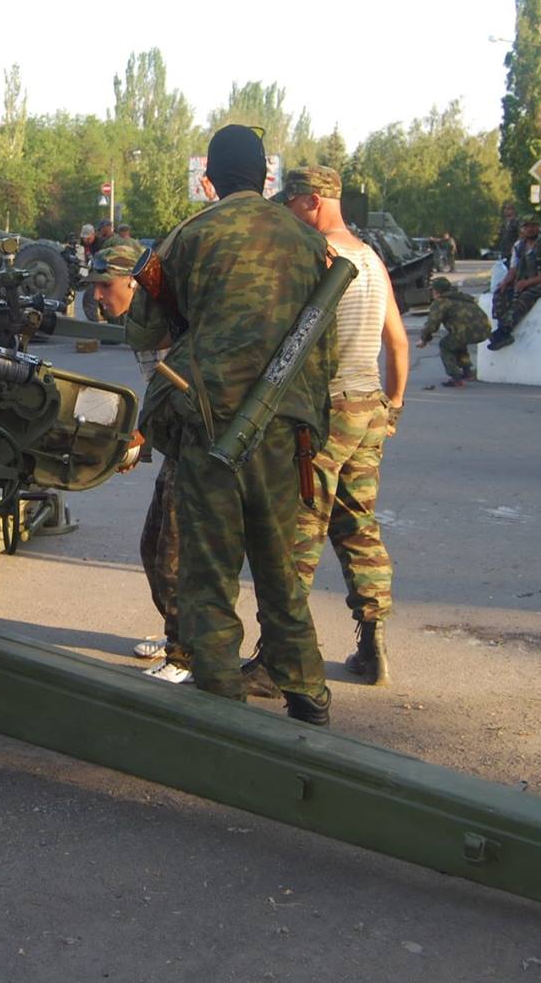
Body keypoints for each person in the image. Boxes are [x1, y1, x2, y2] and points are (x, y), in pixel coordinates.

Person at [126, 124, 336, 724]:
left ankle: (221, 704)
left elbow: (144, 330)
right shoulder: (305, 238)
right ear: (267, 177)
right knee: (278, 567)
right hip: (282, 429)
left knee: (208, 574)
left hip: (209, 425)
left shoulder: (192, 235)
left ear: (209, 178)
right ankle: (308, 695)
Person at [264, 165, 408, 688]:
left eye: (291, 206)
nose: (289, 216)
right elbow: (398, 342)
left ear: (312, 202)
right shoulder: (371, 259)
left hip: (329, 411)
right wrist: (392, 405)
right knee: (358, 525)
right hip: (368, 408)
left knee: (298, 529)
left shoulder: (320, 257)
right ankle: (374, 647)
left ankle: (280, 655)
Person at [90, 240, 191, 684]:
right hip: (177, 442)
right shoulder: (143, 322)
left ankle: (186, 654)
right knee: (155, 547)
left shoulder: (169, 322)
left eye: (104, 285)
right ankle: (177, 636)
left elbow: (183, 389)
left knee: (173, 554)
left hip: (197, 446)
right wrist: (144, 440)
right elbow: (159, 391)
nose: (97, 296)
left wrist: (144, 434)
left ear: (133, 282)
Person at [488, 216, 541, 349]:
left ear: (538, 227)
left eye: (533, 226)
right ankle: (502, 329)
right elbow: (513, 269)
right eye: (527, 226)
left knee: (524, 298)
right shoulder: (518, 246)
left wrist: (527, 283)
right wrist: (505, 282)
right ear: (522, 229)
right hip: (522, 283)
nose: (530, 229)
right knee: (500, 294)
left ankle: (504, 332)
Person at [420, 275, 490, 386]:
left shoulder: (442, 302)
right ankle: (467, 371)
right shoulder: (463, 297)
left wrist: (424, 339)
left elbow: (432, 325)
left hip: (467, 332)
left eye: (432, 290)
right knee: (457, 342)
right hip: (484, 330)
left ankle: (455, 377)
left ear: (437, 291)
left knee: (445, 345)